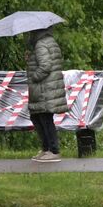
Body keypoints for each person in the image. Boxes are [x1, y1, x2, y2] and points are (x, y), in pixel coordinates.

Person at [26, 26, 68, 162]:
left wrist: (34, 77)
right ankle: (46, 149)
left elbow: (45, 66)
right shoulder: (49, 41)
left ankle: (53, 150)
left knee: (44, 118)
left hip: (44, 88)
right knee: (38, 117)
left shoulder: (40, 44)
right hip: (48, 87)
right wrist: (30, 59)